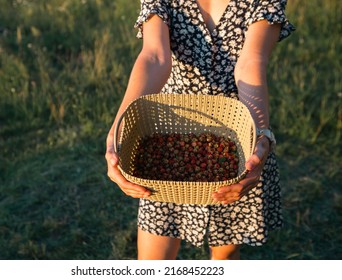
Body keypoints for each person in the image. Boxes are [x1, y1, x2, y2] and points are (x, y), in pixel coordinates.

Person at [105, 0, 295, 260]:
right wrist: (119, 127)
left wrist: (259, 134)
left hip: (236, 144)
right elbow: (154, 57)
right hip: (169, 139)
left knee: (225, 255)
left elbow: (251, 60)